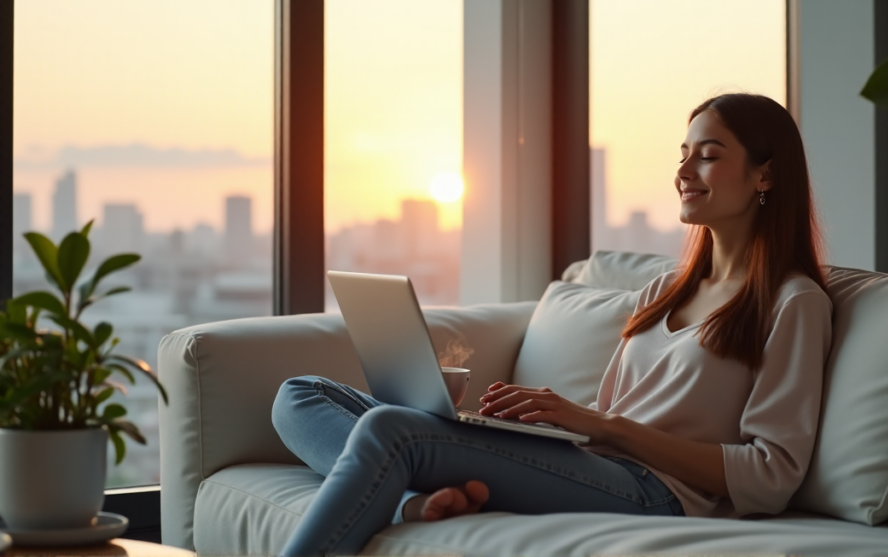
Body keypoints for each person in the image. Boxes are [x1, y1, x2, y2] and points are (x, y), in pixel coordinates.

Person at [271, 93, 832, 556]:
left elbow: (770, 476)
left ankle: (397, 483)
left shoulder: (793, 303)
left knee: (390, 430)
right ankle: (404, 502)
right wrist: (544, 426)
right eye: (683, 154)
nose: (683, 171)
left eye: (707, 156)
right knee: (300, 395)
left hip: (654, 492)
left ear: (766, 173)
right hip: (593, 461)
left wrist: (601, 426)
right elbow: (610, 418)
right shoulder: (666, 290)